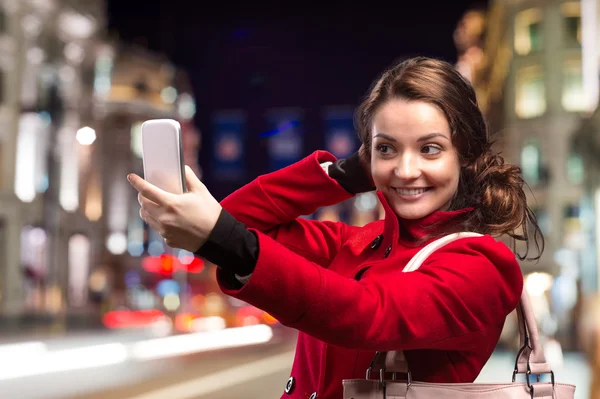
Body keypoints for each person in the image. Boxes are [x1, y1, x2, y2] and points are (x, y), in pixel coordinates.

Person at [128, 57, 544, 399]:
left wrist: (224, 238)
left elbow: (368, 314)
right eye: (387, 148)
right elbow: (240, 219)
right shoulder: (356, 244)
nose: (405, 169)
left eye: (429, 148)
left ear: (465, 156)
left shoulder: (482, 264)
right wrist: (345, 174)